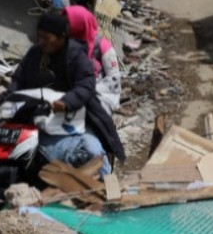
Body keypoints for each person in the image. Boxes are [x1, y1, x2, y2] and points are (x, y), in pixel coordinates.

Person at [7, 9, 125, 174]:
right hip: (45, 114)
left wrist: (69, 100)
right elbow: (19, 78)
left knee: (94, 152)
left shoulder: (83, 52)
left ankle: (109, 186)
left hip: (86, 111)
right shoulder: (36, 53)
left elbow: (94, 83)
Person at [64, 5, 121, 116]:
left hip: (100, 94)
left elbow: (114, 80)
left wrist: (87, 90)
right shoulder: (66, 45)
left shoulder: (102, 45)